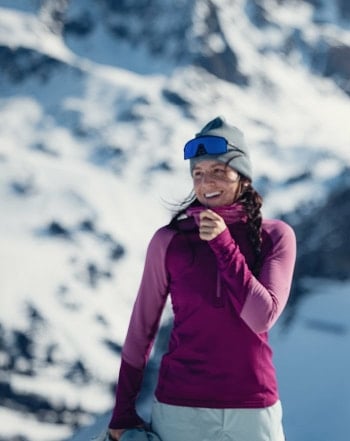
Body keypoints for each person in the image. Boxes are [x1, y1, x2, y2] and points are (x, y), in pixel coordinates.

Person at [106, 116, 296, 441]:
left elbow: (261, 317)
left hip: (254, 408)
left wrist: (224, 245)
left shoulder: (275, 236)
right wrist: (123, 409)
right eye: (198, 173)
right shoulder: (170, 241)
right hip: (180, 409)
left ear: (244, 177)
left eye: (219, 171)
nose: (207, 182)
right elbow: (142, 330)